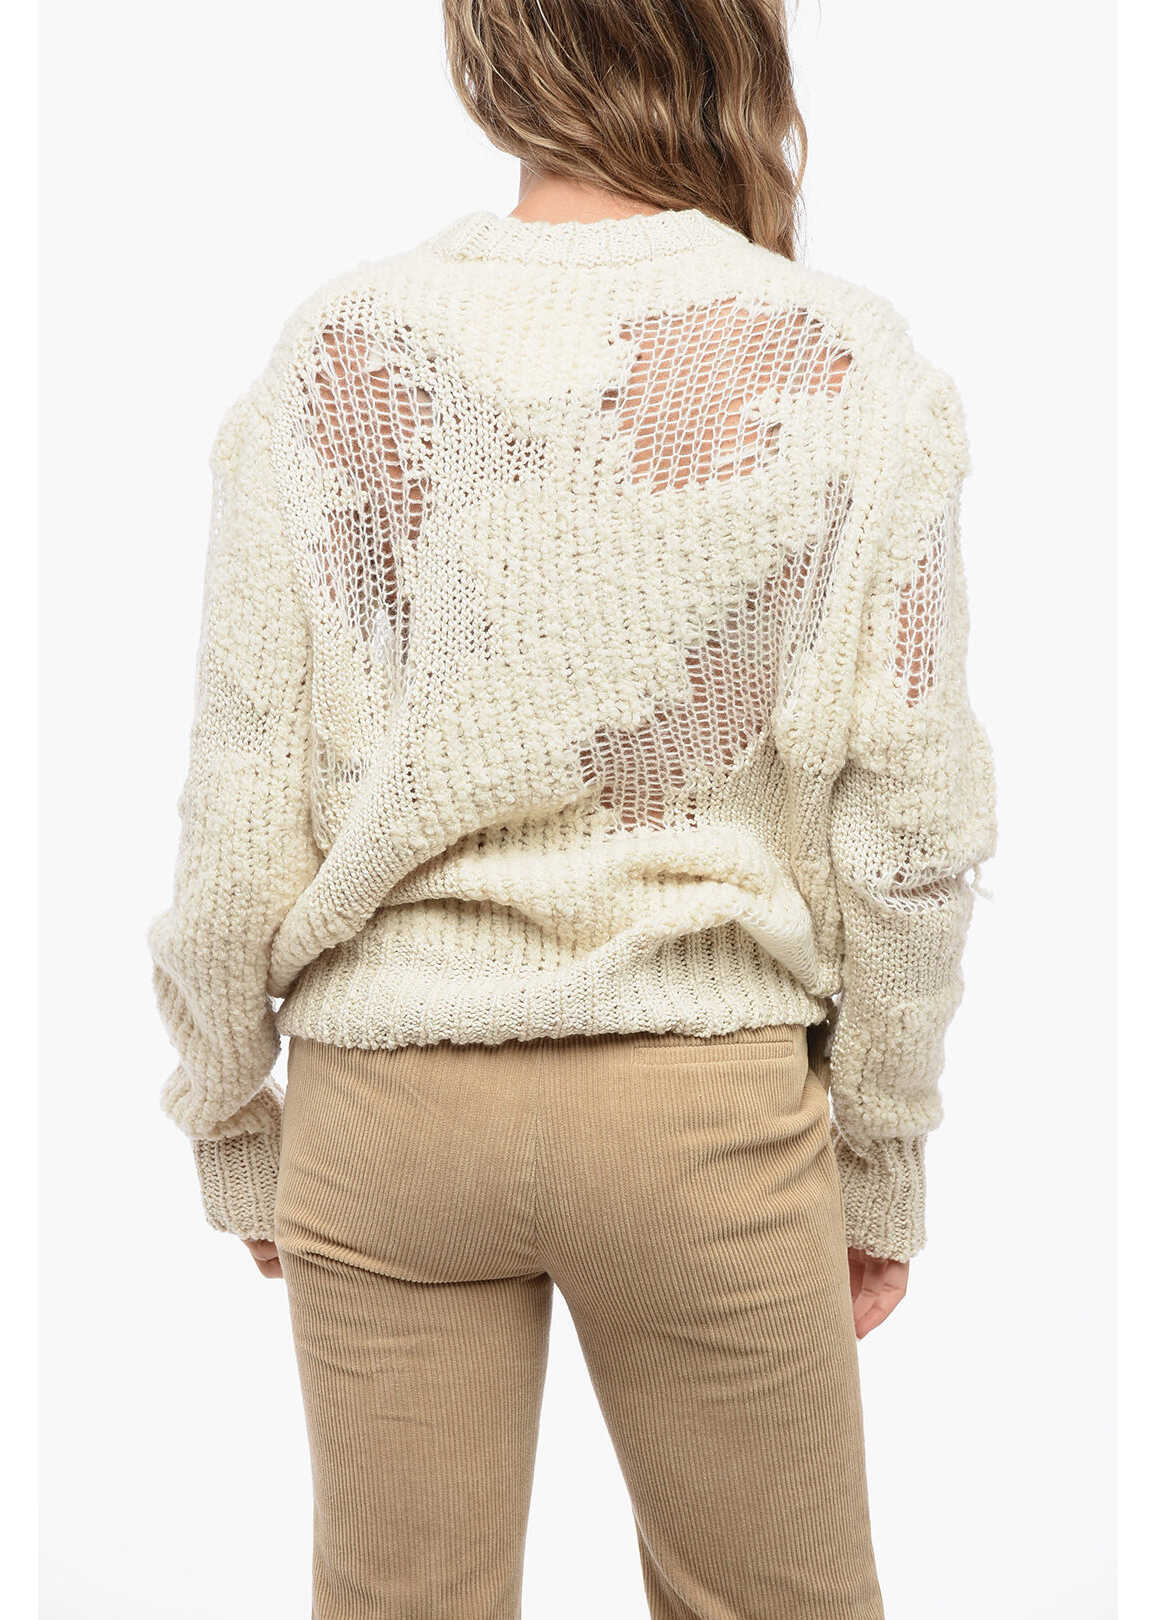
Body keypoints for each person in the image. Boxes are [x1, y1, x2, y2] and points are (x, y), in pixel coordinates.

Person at [148, 2, 997, 1614]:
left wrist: (231, 1116)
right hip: (699, 1115)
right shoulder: (838, 357)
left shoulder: (343, 346)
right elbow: (910, 825)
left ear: (493, 52)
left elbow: (240, 793)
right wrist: (877, 1154)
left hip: (386, 1111)